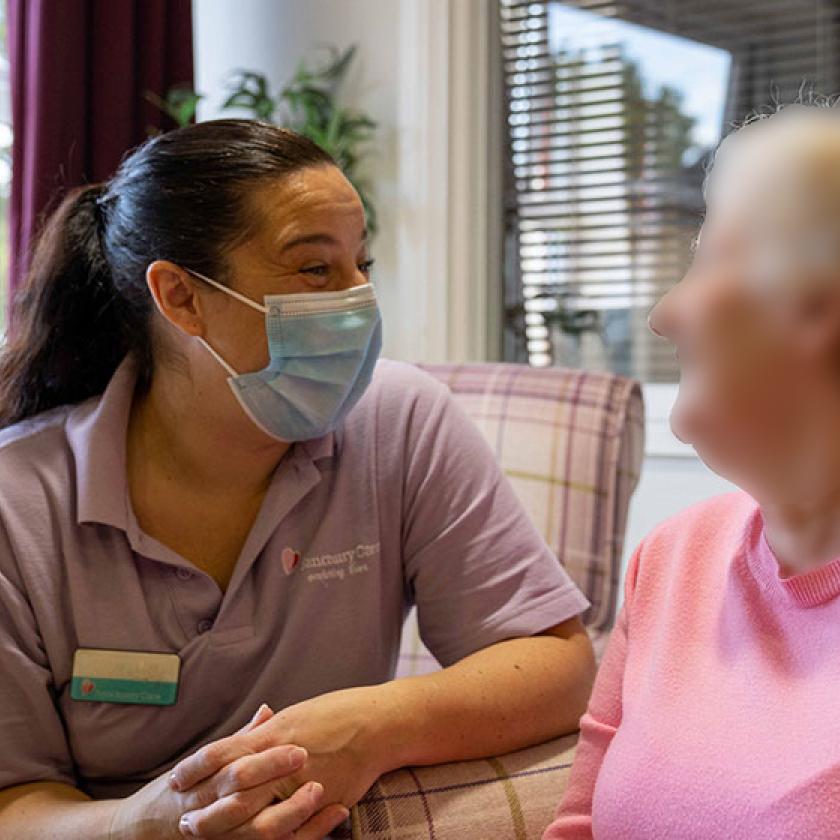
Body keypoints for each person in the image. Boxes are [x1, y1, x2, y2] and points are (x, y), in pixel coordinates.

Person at [0, 119, 595, 840]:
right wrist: (151, 824)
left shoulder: (398, 421)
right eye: (316, 270)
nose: (357, 304)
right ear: (181, 297)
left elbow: (558, 665)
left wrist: (372, 725)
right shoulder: (18, 502)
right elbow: (15, 802)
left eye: (361, 267)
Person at [544, 101, 840, 840]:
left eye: (709, 259)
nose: (664, 315)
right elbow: (579, 828)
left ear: (823, 305)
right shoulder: (674, 560)